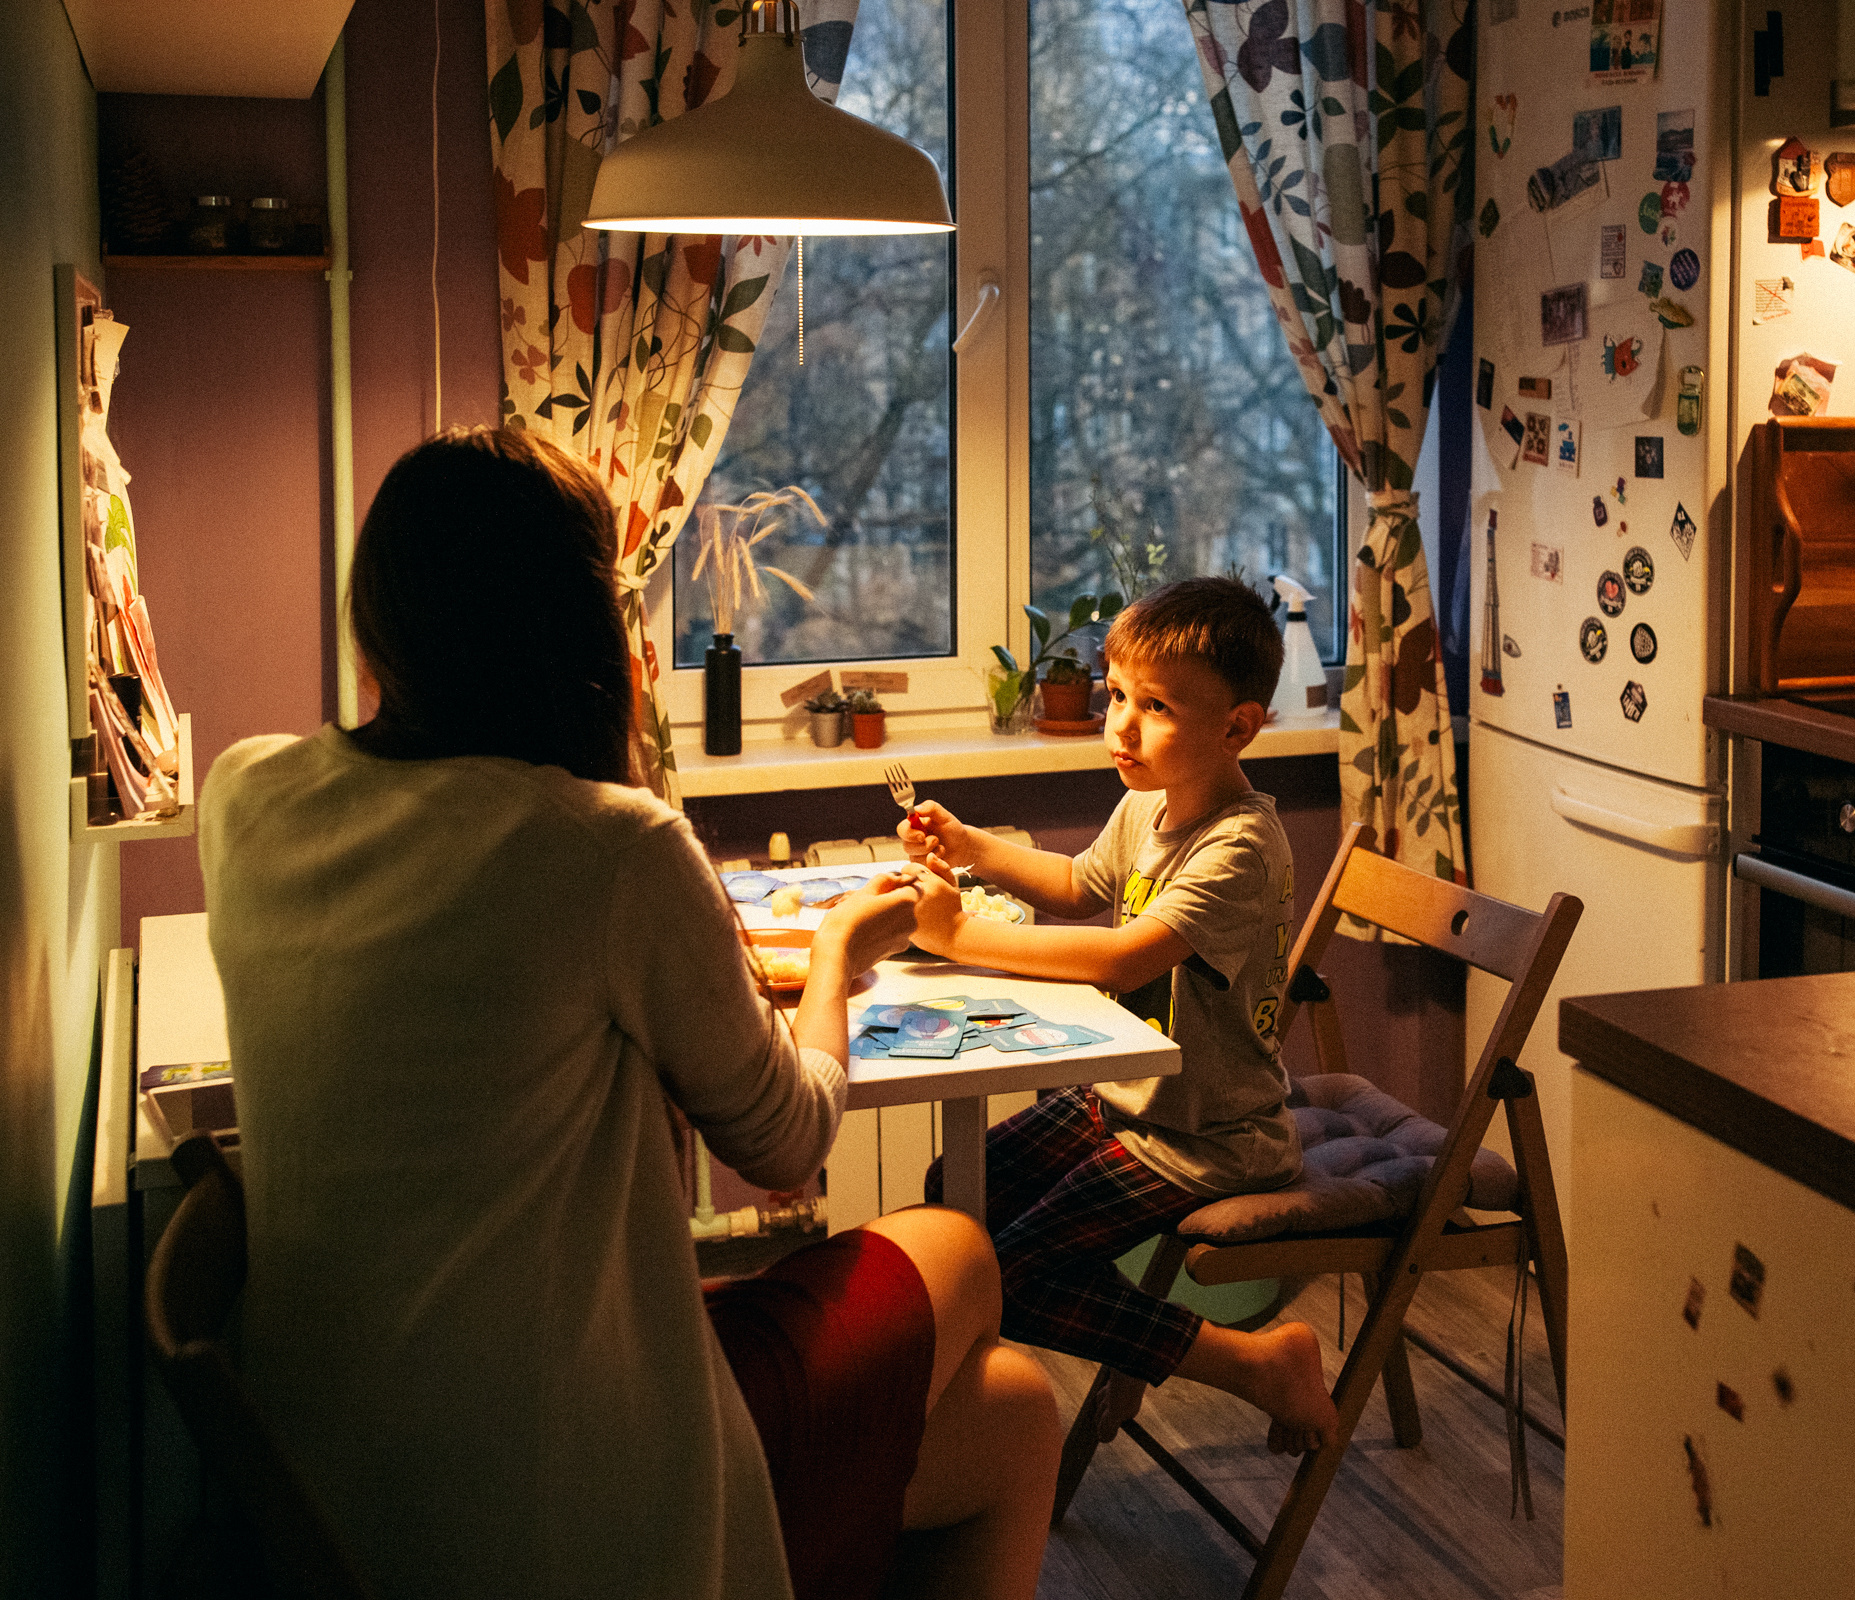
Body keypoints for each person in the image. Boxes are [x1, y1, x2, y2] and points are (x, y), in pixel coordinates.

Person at [198, 427, 1058, 1600]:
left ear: (383, 607)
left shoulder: (245, 794)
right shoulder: (604, 846)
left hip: (324, 1482)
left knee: (1010, 1411)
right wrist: (847, 945)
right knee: (960, 1249)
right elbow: (786, 1146)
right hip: (554, 1495)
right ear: (584, 626)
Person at [897, 576, 1339, 1455]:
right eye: (1117, 697)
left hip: (1209, 1135)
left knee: (1014, 1274)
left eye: (1158, 707)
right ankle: (1064, 1347)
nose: (1121, 727)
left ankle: (1260, 1365)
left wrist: (958, 935)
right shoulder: (1147, 802)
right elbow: (1075, 886)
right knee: (956, 1196)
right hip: (1124, 1100)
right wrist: (968, 842)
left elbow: (1121, 954)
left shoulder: (1241, 845)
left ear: (1238, 728)